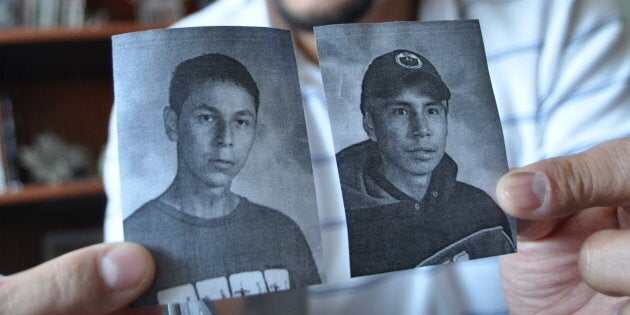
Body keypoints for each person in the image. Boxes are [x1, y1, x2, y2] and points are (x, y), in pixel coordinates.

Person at [1, 0, 628, 314]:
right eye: (205, 120)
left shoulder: (566, 18)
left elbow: (601, 268)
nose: (224, 140)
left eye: (430, 109)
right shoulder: (161, 68)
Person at [124, 53, 320, 305]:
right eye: (207, 117)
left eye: (241, 121)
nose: (225, 138)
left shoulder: (282, 231)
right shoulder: (136, 234)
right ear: (173, 124)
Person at [338, 49, 514, 276]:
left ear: (446, 117)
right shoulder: (344, 224)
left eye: (431, 110)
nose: (421, 130)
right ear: (370, 124)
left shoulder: (481, 209)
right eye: (401, 111)